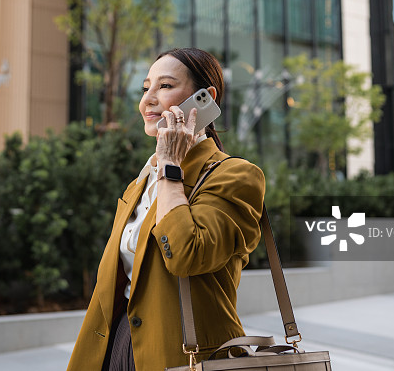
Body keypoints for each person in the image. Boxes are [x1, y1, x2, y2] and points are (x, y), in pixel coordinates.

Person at [67, 48, 266, 371]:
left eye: (165, 86)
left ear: (205, 97)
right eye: (146, 87)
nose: (148, 99)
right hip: (119, 346)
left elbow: (188, 255)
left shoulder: (236, 176)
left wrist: (171, 165)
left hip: (186, 356)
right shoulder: (141, 182)